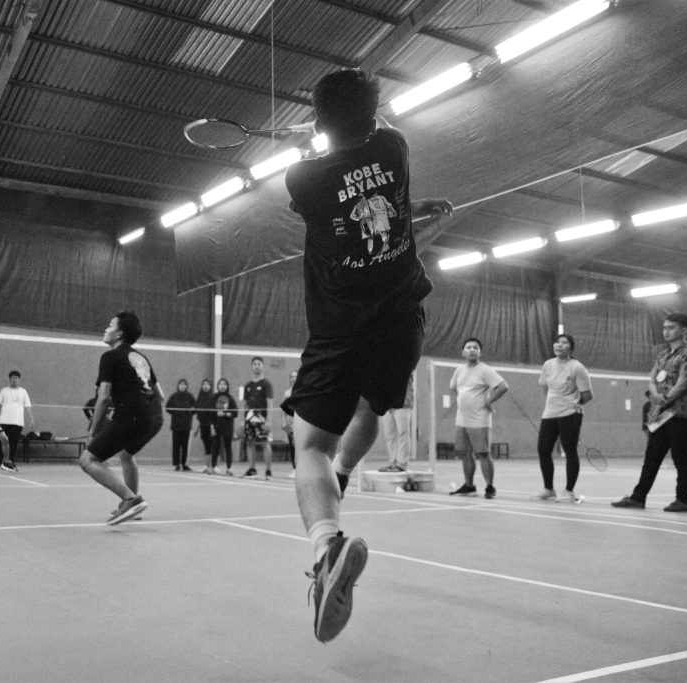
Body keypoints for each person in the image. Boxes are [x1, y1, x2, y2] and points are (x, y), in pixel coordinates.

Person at [279, 68, 453, 642]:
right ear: (374, 115)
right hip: (404, 324)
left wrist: (316, 141)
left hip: (340, 329)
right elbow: (372, 187)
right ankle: (343, 477)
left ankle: (327, 546)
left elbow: (330, 195)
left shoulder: (303, 177)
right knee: (370, 407)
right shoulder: (394, 147)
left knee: (309, 445)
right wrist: (410, 205)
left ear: (318, 121)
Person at [79, 311, 164, 525]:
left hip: (132, 416)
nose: (106, 329)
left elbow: (103, 398)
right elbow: (160, 395)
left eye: (110, 325)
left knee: (88, 460)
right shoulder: (141, 358)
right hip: (155, 417)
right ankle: (133, 507)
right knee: (126, 454)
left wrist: (92, 432)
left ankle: (130, 499)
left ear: (119, 334)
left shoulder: (109, 357)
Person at [613, 314, 687, 512]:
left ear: (684, 330)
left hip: (681, 413)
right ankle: (638, 497)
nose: (666, 331)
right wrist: (654, 395)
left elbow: (683, 383)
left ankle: (683, 500)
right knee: (651, 456)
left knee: (680, 457)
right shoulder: (662, 355)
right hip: (661, 414)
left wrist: (665, 398)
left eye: (671, 327)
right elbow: (652, 379)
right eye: (664, 328)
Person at [532, 334, 593, 502]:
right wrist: (553, 403)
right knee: (543, 449)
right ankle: (548, 489)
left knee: (570, 451)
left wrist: (574, 404)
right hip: (550, 413)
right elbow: (545, 388)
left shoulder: (577, 367)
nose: (559, 345)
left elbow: (588, 395)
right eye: (557, 342)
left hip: (570, 414)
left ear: (571, 349)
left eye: (564, 343)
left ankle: (568, 491)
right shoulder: (547, 365)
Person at [449, 338, 508, 499]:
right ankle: (469, 486)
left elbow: (503, 387)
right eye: (468, 347)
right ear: (463, 352)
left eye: (475, 347)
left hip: (479, 418)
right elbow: (454, 387)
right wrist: (461, 402)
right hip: (461, 419)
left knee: (483, 453)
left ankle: (489, 487)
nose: (472, 350)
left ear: (480, 352)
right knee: (465, 453)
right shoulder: (459, 370)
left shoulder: (485, 370)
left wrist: (488, 401)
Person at [240, 357, 275, 479]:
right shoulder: (247, 386)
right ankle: (252, 470)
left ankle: (268, 471)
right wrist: (242, 420)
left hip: (262, 419)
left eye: (259, 364)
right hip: (249, 419)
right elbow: (244, 404)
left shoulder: (267, 384)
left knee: (265, 443)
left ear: (263, 367)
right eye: (254, 364)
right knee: (250, 443)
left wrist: (269, 421)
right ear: (251, 367)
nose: (256, 366)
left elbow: (270, 403)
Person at [0, 370, 34, 466]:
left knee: (14, 442)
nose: (14, 380)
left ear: (19, 380)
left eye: (16, 378)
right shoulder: (4, 391)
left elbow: (27, 405)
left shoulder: (23, 392)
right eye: (12, 378)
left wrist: (31, 418)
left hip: (18, 422)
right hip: (3, 421)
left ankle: (10, 461)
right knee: (1, 441)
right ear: (9, 379)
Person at [378, 373, 414, 472]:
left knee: (403, 434)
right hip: (388, 404)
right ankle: (393, 463)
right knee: (389, 435)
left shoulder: (405, 365)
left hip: (403, 403)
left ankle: (401, 464)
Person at [165, 379, 196, 471]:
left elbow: (195, 408)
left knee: (185, 445)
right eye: (181, 384)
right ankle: (177, 464)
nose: (182, 386)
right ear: (178, 386)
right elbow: (168, 407)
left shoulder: (190, 396)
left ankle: (184, 464)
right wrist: (175, 413)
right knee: (176, 445)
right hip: (176, 425)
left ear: (186, 386)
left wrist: (190, 413)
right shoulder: (174, 396)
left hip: (186, 425)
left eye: (184, 384)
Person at [212, 378, 238, 476]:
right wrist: (213, 422)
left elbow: (235, 412)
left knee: (228, 447)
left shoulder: (230, 398)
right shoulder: (214, 397)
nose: (222, 386)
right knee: (216, 446)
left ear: (227, 386)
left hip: (228, 425)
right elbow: (210, 412)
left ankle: (229, 467)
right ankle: (214, 466)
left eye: (224, 384)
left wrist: (227, 414)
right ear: (218, 386)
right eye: (220, 384)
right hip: (217, 425)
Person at [194, 379, 216, 474]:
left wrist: (213, 425)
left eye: (207, 384)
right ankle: (206, 465)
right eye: (204, 384)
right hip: (203, 425)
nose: (205, 386)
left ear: (210, 387)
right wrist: (197, 429)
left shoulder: (213, 397)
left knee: (212, 445)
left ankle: (213, 466)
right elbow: (197, 412)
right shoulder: (200, 398)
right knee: (206, 445)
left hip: (211, 425)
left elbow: (213, 413)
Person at [281, 370, 298, 478]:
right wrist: (284, 422)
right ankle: (294, 469)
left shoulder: (301, 391)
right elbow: (284, 409)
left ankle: (301, 468)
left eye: (296, 376)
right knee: (292, 447)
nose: (293, 378)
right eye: (291, 376)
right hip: (289, 422)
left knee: (299, 446)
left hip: (299, 422)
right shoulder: (287, 393)